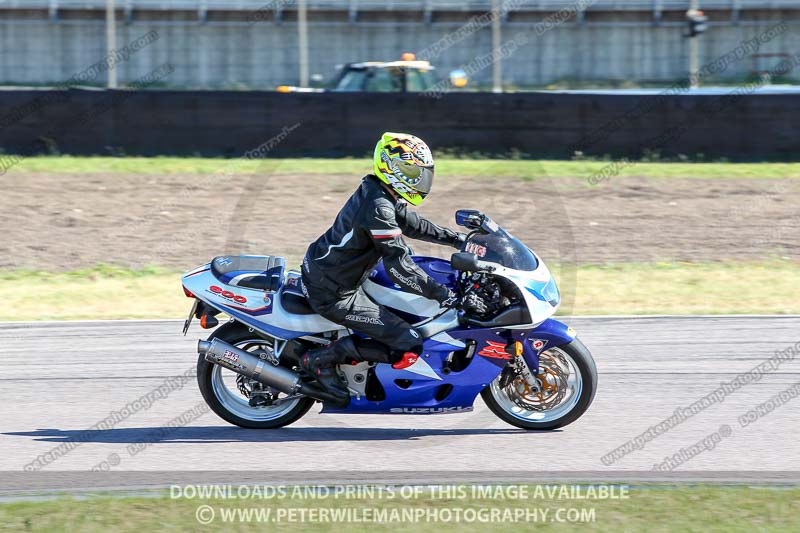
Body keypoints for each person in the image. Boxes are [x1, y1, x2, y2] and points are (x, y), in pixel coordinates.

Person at [300, 132, 477, 401]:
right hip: (334, 293)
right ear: (392, 167)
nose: (420, 179)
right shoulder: (378, 207)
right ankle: (321, 359)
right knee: (409, 341)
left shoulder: (380, 192)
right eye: (413, 171)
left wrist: (458, 239)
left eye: (422, 173)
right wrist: (445, 296)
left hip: (334, 274)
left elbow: (414, 224)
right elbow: (400, 268)